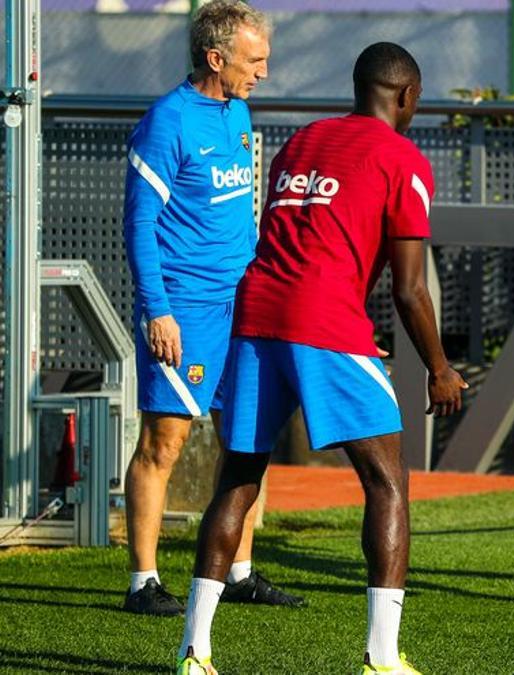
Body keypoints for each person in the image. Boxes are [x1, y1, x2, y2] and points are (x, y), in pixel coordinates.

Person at [175, 42, 467, 675]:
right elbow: (411, 289)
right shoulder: (405, 159)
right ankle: (382, 657)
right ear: (408, 96)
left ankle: (193, 653)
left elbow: (310, 237)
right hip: (322, 320)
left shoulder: (301, 142)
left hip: (255, 315)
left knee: (238, 478)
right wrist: (440, 368)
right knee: (387, 482)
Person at [121, 0, 301, 616]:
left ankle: (240, 570)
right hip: (185, 309)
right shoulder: (166, 122)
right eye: (255, 61)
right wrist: (157, 310)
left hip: (241, 303)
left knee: (244, 436)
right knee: (164, 443)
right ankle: (143, 582)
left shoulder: (239, 112)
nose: (264, 73)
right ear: (215, 57)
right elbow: (140, 225)